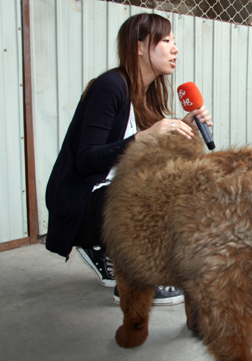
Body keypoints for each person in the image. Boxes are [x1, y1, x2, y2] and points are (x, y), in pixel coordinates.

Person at [45, 13, 212, 304]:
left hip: (112, 195)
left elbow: (148, 156)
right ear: (138, 47)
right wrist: (147, 135)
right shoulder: (110, 86)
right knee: (157, 197)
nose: (175, 49)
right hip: (81, 203)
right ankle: (137, 280)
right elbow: (86, 160)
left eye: (174, 42)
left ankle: (109, 251)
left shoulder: (145, 95)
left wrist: (183, 124)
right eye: (166, 41)